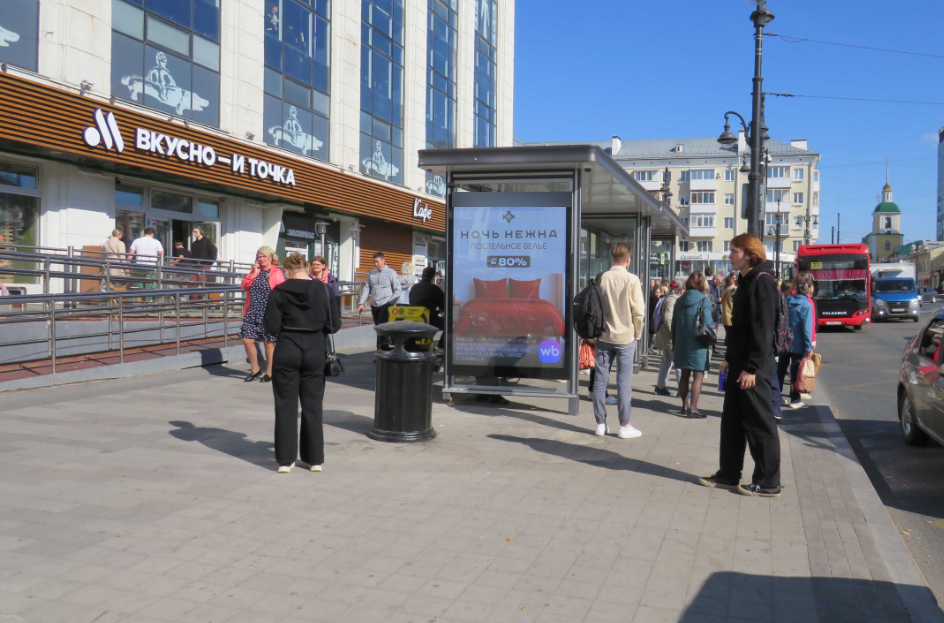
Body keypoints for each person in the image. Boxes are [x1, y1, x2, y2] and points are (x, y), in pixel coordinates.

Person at [700, 233, 781, 498]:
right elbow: (740, 328)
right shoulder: (746, 280)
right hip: (739, 362)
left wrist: (752, 368)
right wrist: (729, 358)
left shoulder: (762, 281)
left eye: (734, 251)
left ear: (748, 254)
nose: (730, 255)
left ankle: (768, 481)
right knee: (732, 422)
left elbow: (762, 329)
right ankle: (728, 473)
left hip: (754, 366)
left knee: (759, 423)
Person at [263, 253, 341, 474]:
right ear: (307, 269)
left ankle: (286, 461)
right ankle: (314, 459)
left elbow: (272, 328)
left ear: (287, 271)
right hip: (315, 347)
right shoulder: (324, 290)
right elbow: (334, 325)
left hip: (287, 347)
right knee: (313, 404)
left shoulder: (278, 292)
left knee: (285, 405)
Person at [593, 242, 646, 438]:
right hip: (625, 338)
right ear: (628, 259)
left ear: (612, 258)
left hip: (604, 336)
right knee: (623, 383)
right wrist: (638, 335)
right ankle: (624, 426)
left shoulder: (602, 278)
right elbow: (638, 313)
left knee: (600, 381)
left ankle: (600, 424)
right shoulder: (632, 280)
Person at [239, 246, 285, 383]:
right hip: (252, 310)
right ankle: (255, 369)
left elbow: (281, 292)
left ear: (271, 258)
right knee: (247, 339)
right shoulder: (255, 272)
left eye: (264, 256)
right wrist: (254, 273)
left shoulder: (276, 272)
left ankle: (270, 372)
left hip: (268, 312)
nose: (262, 259)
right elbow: (244, 286)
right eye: (260, 256)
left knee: (268, 343)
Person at [671, 272, 713, 418]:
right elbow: (708, 323)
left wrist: (675, 342)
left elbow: (674, 324)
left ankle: (685, 405)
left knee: (684, 375)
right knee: (698, 374)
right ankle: (693, 408)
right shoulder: (704, 301)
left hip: (682, 342)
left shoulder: (679, 301)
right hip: (698, 342)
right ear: (702, 285)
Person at [780, 274, 815, 410]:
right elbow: (807, 329)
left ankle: (775, 397)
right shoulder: (806, 305)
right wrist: (809, 346)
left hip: (783, 341)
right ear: (809, 288)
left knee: (780, 370)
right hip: (798, 344)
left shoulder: (787, 300)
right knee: (796, 372)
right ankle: (794, 399)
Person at [357, 252, 402, 349]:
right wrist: (361, 303)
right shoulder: (372, 273)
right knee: (378, 328)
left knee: (382, 327)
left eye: (377, 262)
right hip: (374, 305)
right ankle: (382, 351)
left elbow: (398, 289)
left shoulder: (391, 272)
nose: (375, 264)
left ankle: (382, 350)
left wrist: (390, 302)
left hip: (385, 304)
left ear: (383, 260)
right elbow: (367, 288)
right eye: (374, 262)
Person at [653, 282, 681, 396]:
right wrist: (674, 333)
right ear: (682, 290)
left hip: (664, 335)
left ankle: (660, 386)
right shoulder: (672, 300)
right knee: (679, 363)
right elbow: (668, 318)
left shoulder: (667, 298)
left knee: (666, 361)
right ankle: (682, 389)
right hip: (669, 337)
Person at [410, 266, 446, 349]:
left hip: (414, 318)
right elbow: (444, 305)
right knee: (448, 324)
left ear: (422, 276)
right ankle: (441, 347)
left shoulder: (414, 287)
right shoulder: (434, 288)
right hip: (428, 319)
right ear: (433, 277)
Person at [129, 227, 164, 292]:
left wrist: (127, 264)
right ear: (152, 234)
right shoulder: (156, 242)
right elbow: (161, 253)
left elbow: (131, 253)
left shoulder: (136, 241)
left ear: (144, 233)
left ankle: (142, 298)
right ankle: (149, 298)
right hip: (151, 265)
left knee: (140, 283)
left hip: (139, 265)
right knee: (150, 282)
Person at [190, 227, 218, 296]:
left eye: (196, 232)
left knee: (203, 283)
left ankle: (203, 299)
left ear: (200, 232)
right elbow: (192, 255)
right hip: (195, 266)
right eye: (194, 232)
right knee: (193, 283)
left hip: (204, 265)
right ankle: (194, 299)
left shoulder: (207, 242)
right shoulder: (194, 244)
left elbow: (212, 254)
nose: (194, 233)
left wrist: (208, 263)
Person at [720, 273, 737, 347]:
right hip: (730, 316)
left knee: (728, 335)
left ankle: (727, 352)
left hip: (724, 316)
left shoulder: (725, 291)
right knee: (731, 336)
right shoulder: (733, 291)